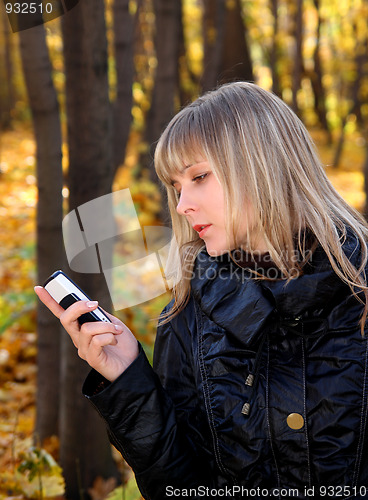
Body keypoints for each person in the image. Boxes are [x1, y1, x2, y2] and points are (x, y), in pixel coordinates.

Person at [35, 82, 368, 500]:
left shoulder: (361, 293)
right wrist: (128, 378)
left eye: (198, 177)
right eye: (176, 186)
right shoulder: (188, 312)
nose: (181, 205)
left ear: (262, 162)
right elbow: (181, 487)